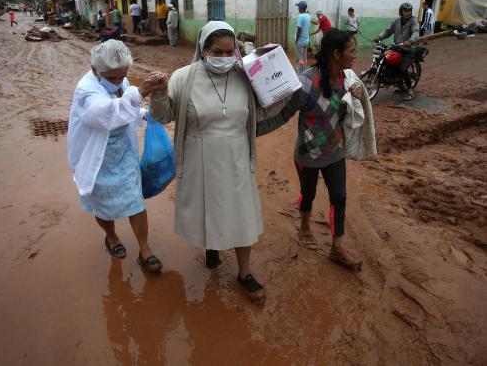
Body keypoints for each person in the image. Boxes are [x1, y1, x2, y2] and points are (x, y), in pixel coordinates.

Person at [147, 21, 289, 304]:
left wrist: (282, 85)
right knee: (209, 209)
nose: (224, 58)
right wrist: (159, 93)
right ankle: (212, 246)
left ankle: (244, 273)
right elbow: (164, 116)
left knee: (241, 213)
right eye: (217, 52)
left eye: (229, 52)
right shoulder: (183, 78)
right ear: (203, 50)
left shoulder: (245, 75)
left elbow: (262, 112)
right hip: (200, 159)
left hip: (237, 157)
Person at [257, 29, 364, 272]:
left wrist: (355, 95)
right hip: (308, 154)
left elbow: (350, 112)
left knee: (339, 197)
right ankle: (304, 227)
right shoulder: (305, 84)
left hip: (335, 151)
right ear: (336, 54)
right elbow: (283, 114)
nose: (355, 55)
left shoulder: (348, 80)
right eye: (352, 51)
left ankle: (337, 247)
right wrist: (254, 130)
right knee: (308, 193)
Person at [67, 40, 165, 273]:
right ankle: (111, 236)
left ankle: (145, 250)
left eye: (123, 76)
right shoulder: (86, 91)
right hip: (97, 157)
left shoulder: (121, 82)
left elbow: (126, 108)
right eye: (112, 78)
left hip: (123, 152)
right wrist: (140, 93)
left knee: (135, 200)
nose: (118, 82)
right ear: (95, 70)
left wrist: (143, 114)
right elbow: (107, 114)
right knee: (102, 204)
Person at [374, 2, 419, 101]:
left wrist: (410, 41)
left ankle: (410, 90)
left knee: (404, 69)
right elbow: (389, 31)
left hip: (408, 50)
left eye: (409, 11)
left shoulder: (413, 21)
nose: (407, 13)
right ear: (401, 12)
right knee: (386, 58)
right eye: (405, 11)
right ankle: (392, 79)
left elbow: (416, 32)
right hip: (397, 47)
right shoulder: (397, 21)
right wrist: (379, 37)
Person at [295, 1, 311, 77]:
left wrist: (296, 40)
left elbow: (299, 28)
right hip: (306, 40)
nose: (298, 8)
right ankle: (304, 71)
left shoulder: (300, 16)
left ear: (301, 8)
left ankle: (300, 75)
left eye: (298, 7)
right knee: (304, 57)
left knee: (300, 58)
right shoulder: (308, 16)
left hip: (300, 41)